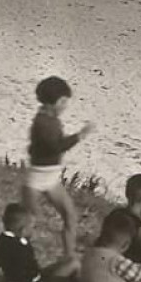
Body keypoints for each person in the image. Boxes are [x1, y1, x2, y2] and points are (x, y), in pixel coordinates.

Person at [23, 76, 94, 271]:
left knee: (70, 215)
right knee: (28, 222)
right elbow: (56, 147)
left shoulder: (51, 120)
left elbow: (43, 147)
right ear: (51, 102)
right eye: (63, 102)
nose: (65, 106)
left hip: (51, 175)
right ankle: (20, 260)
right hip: (36, 177)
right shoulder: (43, 122)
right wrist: (80, 135)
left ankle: (69, 258)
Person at [0, 202, 42, 282]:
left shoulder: (3, 239)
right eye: (32, 227)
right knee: (71, 264)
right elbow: (31, 270)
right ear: (23, 230)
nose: (33, 230)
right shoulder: (23, 246)